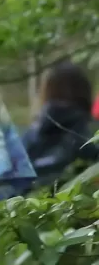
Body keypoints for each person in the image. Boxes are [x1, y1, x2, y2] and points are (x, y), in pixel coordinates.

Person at [22, 61, 98, 190]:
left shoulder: (29, 136)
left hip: (32, 200)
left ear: (46, 92)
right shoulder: (93, 133)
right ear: (86, 92)